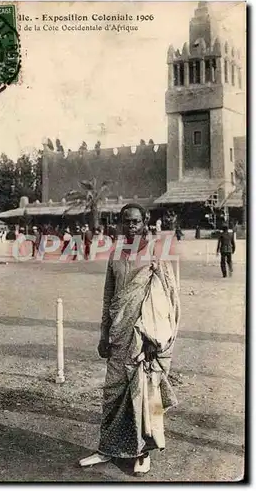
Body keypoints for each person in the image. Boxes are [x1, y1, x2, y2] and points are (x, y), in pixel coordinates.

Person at [79, 203, 180, 476]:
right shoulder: (115, 253)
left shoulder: (157, 253)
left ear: (145, 221)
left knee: (146, 394)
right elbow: (108, 297)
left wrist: (154, 339)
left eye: (136, 221)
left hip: (145, 339)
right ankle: (108, 448)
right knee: (112, 393)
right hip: (119, 335)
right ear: (121, 223)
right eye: (126, 222)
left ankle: (144, 451)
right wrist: (103, 334)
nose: (131, 226)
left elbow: (165, 300)